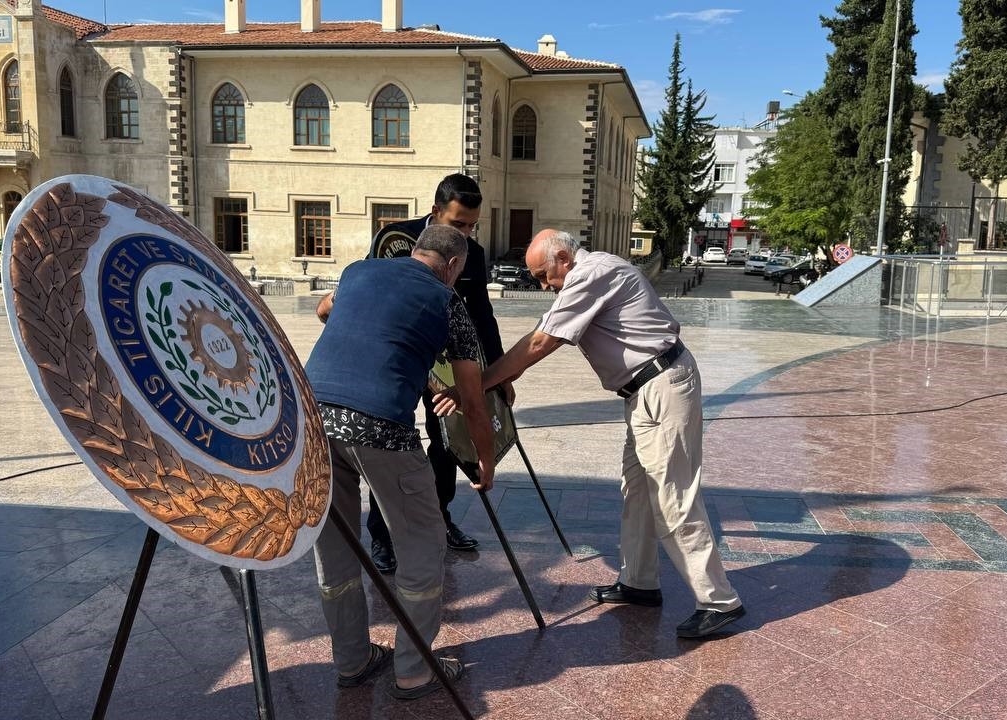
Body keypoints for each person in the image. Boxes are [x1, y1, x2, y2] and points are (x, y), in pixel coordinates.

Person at [464, 228, 746, 639]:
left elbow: (543, 340)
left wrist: (484, 382)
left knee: (672, 496)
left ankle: (719, 601)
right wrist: (504, 375)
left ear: (563, 257)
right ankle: (639, 582)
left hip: (660, 385)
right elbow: (541, 334)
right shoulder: (586, 273)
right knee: (637, 491)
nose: (544, 285)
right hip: (645, 391)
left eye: (544, 274)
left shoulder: (592, 272)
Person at [306, 225, 496, 698]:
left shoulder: (357, 272)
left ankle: (352, 661)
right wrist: (483, 463)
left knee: (336, 550)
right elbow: (474, 402)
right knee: (422, 548)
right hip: (382, 428)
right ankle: (413, 670)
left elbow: (324, 308)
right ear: (454, 266)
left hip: (312, 425)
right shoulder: (448, 301)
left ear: (415, 252)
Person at [361, 173, 508, 573]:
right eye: (458, 224)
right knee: (387, 442)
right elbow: (376, 297)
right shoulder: (396, 239)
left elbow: (482, 315)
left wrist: (497, 372)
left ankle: (441, 518)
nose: (466, 233)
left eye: (472, 225)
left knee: (448, 444)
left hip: (450, 362)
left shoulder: (472, 254)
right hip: (402, 359)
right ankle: (382, 535)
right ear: (435, 212)